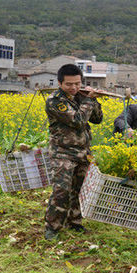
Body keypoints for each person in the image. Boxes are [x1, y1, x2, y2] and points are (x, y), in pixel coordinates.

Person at [44, 64, 103, 240]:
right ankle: (52, 227)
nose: (74, 88)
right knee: (61, 190)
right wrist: (89, 101)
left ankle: (74, 222)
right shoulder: (55, 101)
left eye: (77, 83)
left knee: (79, 189)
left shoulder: (80, 97)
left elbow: (97, 119)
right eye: (69, 84)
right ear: (60, 83)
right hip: (62, 152)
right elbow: (77, 120)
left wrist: (93, 100)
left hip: (83, 152)